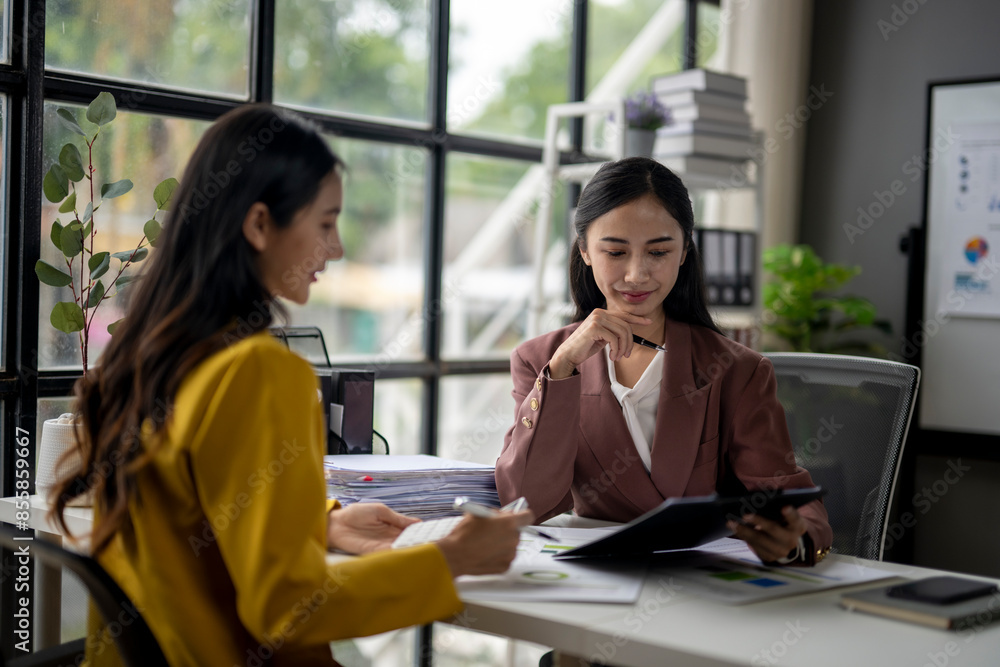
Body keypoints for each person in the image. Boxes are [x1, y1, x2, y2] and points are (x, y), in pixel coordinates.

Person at [51, 104, 532, 667]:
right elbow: (288, 609)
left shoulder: (147, 359)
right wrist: (451, 557)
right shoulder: (257, 372)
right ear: (259, 225)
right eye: (325, 224)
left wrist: (321, 521)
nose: (337, 249)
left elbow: (193, 516)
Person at [495, 157, 832, 566]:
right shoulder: (540, 361)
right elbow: (525, 503)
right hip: (595, 575)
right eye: (615, 251)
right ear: (584, 251)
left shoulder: (737, 370)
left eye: (658, 251)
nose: (637, 274)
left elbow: (785, 494)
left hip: (700, 579)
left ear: (685, 251)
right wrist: (563, 368)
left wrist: (795, 541)